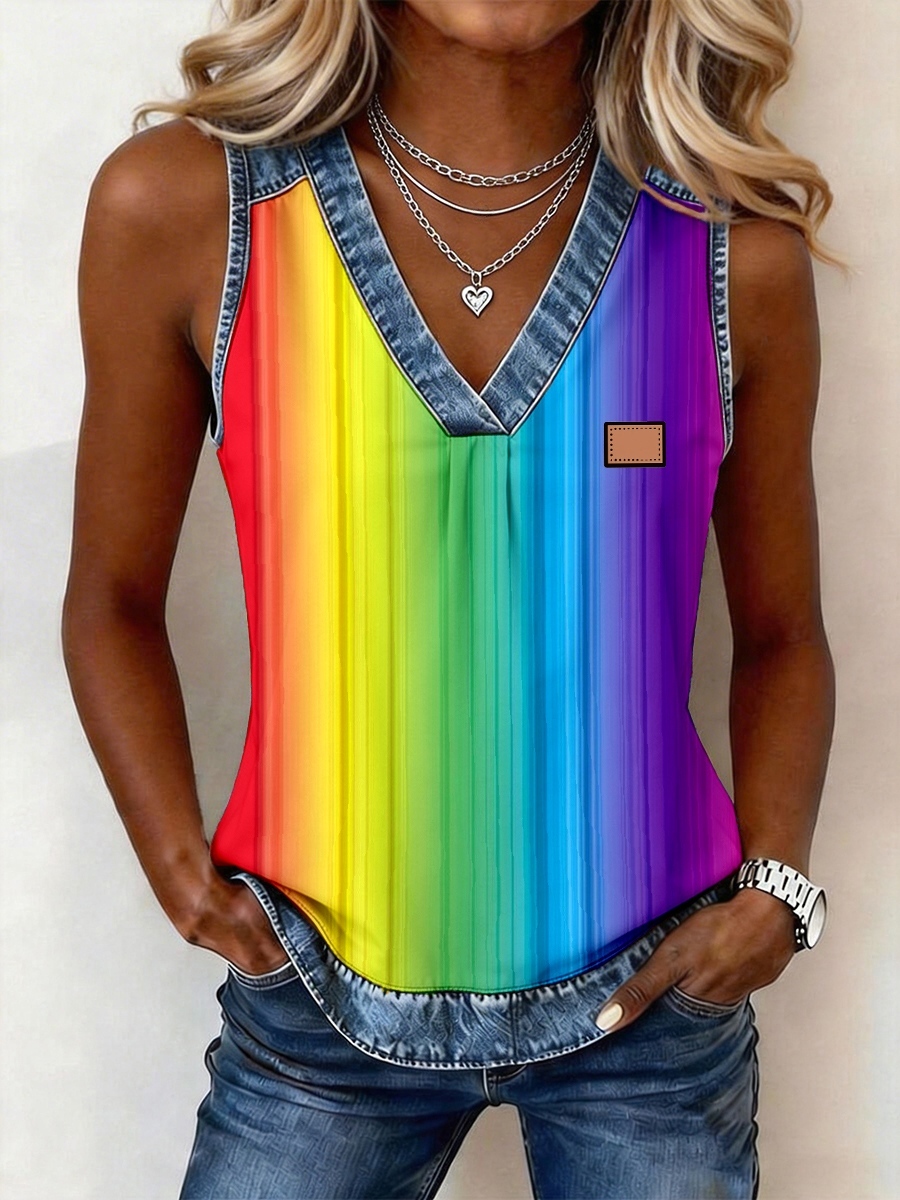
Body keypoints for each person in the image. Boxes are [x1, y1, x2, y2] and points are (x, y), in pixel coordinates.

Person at [62, 1, 839, 1197]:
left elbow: (782, 634)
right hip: (314, 1005)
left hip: (656, 1014)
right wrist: (183, 877)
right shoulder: (190, 212)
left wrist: (776, 895)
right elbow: (111, 598)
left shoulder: (733, 253)